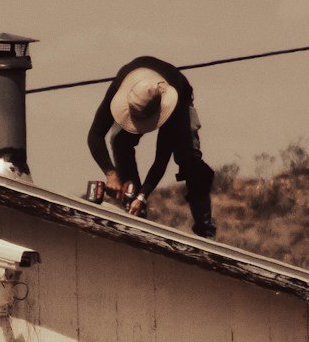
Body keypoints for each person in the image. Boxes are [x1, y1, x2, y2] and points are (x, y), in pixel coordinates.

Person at [85, 55, 218, 237]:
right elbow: (95, 135)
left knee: (189, 160)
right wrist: (111, 174)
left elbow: (161, 159)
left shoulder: (174, 107)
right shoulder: (119, 87)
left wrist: (143, 195)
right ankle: (131, 203)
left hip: (180, 97)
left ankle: (205, 228)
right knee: (120, 142)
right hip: (140, 97)